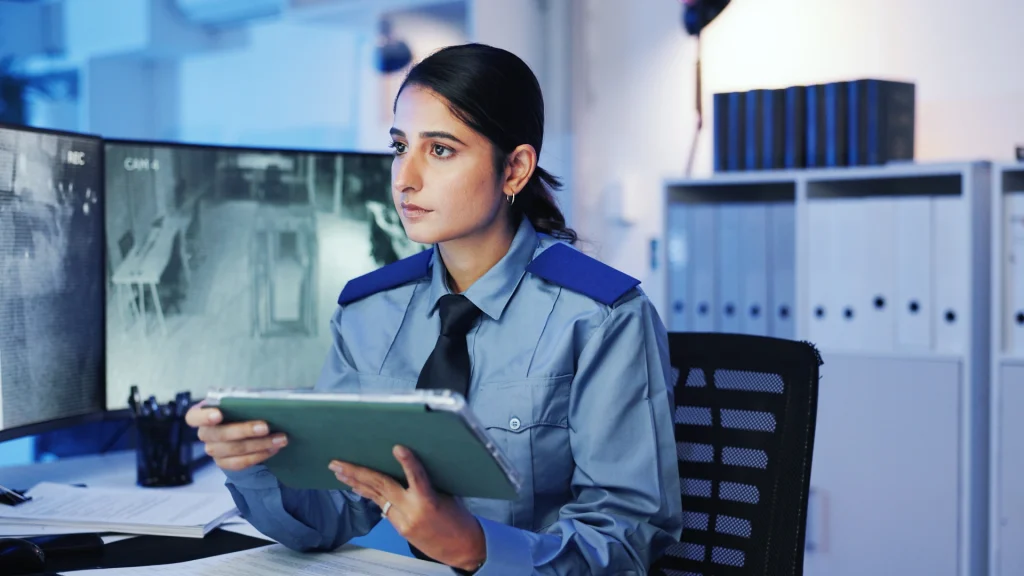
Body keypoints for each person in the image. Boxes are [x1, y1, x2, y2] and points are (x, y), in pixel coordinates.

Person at [186, 43, 682, 575]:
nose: (405, 178)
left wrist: (474, 547)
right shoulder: (368, 311)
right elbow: (331, 514)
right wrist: (254, 465)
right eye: (400, 147)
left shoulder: (602, 317)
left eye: (440, 150)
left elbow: (628, 538)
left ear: (514, 169)